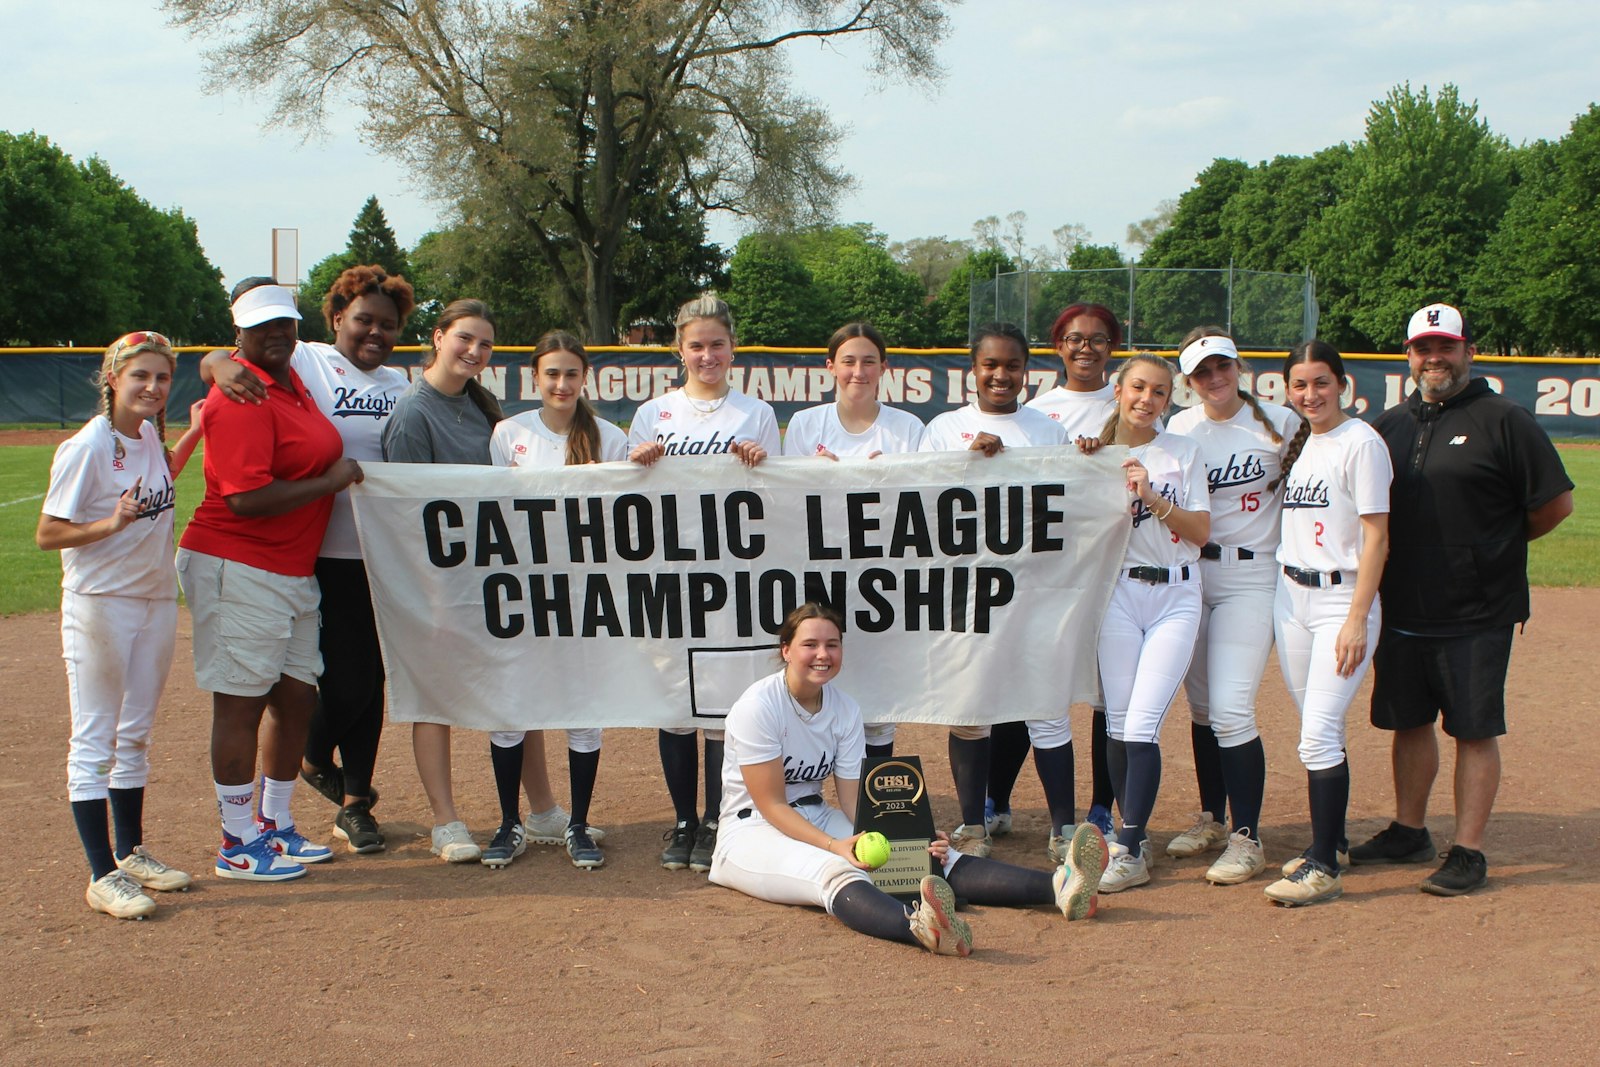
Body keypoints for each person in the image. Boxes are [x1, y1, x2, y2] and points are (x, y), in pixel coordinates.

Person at [708, 602, 1111, 957]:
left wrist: (909, 832)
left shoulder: (844, 709)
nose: (822, 654)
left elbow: (854, 801)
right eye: (810, 644)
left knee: (923, 854)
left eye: (832, 645)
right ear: (786, 650)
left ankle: (1061, 885)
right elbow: (772, 804)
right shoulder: (759, 707)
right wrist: (835, 845)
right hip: (751, 832)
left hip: (814, 816)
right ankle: (919, 928)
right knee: (833, 871)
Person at [1354, 303, 1573, 896]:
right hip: (1403, 604)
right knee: (1409, 721)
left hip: (1478, 607)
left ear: (1468, 351)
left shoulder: (1505, 419)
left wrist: (1492, 548)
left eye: (1445, 347)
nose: (1434, 358)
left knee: (1474, 729)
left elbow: (1555, 505)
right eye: (1423, 348)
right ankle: (1409, 829)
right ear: (1408, 356)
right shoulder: (1388, 426)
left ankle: (1469, 849)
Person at [203, 264, 415, 855]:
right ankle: (314, 758)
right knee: (341, 681)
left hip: (380, 554)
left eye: (388, 325)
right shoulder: (307, 360)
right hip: (318, 548)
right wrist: (218, 364)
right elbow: (234, 358)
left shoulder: (401, 387)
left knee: (371, 679)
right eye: (364, 319)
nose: (375, 332)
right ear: (338, 318)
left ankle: (356, 802)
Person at [178, 279, 363, 882]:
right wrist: (329, 483)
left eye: (285, 323)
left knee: (295, 697)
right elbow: (246, 501)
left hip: (288, 569)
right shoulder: (241, 395)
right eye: (263, 327)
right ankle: (236, 843)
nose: (278, 333)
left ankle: (274, 825)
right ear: (241, 333)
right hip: (240, 562)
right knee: (241, 702)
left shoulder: (291, 380)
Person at [38, 331, 203, 918]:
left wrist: (197, 429)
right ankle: (100, 873)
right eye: (141, 377)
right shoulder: (86, 447)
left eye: (162, 378)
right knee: (95, 738)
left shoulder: (150, 436)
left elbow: (162, 478)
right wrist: (109, 525)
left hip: (155, 599)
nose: (153, 388)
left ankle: (130, 851)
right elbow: (48, 533)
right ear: (112, 379)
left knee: (135, 733)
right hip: (101, 601)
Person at [383, 298, 549, 869]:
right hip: (434, 575)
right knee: (436, 694)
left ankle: (545, 809)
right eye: (465, 339)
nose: (474, 352)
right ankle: (445, 820)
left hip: (488, 570)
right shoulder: (412, 412)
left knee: (517, 684)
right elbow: (405, 512)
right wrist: (428, 591)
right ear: (437, 337)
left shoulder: (482, 405)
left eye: (485, 345)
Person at [628, 294, 780, 872]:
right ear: (679, 348)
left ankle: (717, 817)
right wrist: (638, 459)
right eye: (696, 344)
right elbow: (629, 500)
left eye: (717, 343)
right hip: (671, 571)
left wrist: (761, 463)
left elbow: (777, 498)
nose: (707, 354)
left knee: (721, 701)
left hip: (732, 575)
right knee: (674, 701)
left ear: (732, 348)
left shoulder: (755, 412)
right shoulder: (654, 413)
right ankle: (683, 820)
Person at [921, 322, 1074, 863]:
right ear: (973, 370)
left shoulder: (1047, 429)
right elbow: (919, 504)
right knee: (971, 707)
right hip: (967, 586)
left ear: (1026, 370)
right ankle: (972, 825)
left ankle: (1063, 829)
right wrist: (965, 463)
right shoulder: (945, 427)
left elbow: (1066, 506)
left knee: (1048, 706)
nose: (1001, 375)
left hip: (1033, 587)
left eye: (1012, 365)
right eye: (990, 365)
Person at [1166, 329, 1302, 885]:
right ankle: (1212, 818)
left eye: (1221, 366)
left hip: (1252, 574)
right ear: (1189, 382)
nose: (1214, 378)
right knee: (1201, 709)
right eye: (1202, 372)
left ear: (1238, 367)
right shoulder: (1180, 427)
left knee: (1230, 708)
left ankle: (1247, 836)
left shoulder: (1281, 422)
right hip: (1194, 573)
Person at [490, 330, 629, 869]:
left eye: (572, 373)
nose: (562, 383)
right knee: (510, 708)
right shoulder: (509, 433)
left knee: (582, 710)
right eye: (552, 373)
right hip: (523, 588)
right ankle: (508, 822)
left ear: (584, 377)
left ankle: (577, 825)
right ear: (535, 377)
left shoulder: (608, 436)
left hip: (584, 588)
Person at [1261, 342, 1391, 906]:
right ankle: (1331, 842)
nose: (1309, 394)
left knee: (1316, 734)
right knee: (1321, 728)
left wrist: (1358, 618)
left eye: (1321, 383)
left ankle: (1321, 867)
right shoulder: (1305, 442)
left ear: (1342, 384)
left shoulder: (1360, 443)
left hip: (1342, 601)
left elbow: (1378, 535)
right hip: (1291, 599)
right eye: (1299, 385)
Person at [1077, 353, 1210, 892]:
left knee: (1142, 724)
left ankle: (1128, 848)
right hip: (1119, 592)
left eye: (1158, 391)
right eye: (1137, 387)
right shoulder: (1090, 453)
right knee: (1116, 721)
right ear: (1117, 389)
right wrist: (1088, 462)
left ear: (1169, 398)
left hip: (1176, 590)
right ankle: (1133, 832)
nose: (1146, 399)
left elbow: (1200, 530)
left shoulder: (1183, 450)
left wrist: (1150, 495)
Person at [782, 321, 924, 759]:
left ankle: (875, 799)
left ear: (884, 367)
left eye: (868, 361)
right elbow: (785, 501)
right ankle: (807, 788)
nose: (858, 371)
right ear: (831, 367)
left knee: (879, 690)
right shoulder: (806, 424)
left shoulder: (908, 428)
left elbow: (925, 505)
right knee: (817, 678)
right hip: (821, 573)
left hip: (884, 576)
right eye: (848, 361)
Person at [1025, 302, 1126, 841]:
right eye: (1074, 338)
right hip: (1056, 568)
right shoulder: (1042, 412)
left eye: (1097, 338)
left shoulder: (1130, 399)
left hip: (1115, 562)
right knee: (1040, 685)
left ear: (1112, 346)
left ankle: (1102, 807)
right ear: (1058, 345)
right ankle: (997, 798)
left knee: (1108, 692)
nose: (1085, 348)